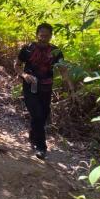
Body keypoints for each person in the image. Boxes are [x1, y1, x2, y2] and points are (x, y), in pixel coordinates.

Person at [15, 23, 73, 160]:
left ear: (51, 36)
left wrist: (70, 86)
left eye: (46, 36)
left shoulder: (56, 51)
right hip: (30, 87)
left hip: (46, 88)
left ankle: (33, 133)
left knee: (43, 115)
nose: (43, 38)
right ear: (37, 35)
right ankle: (41, 147)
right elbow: (17, 64)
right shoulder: (27, 49)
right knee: (38, 114)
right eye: (41, 35)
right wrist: (24, 75)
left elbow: (63, 69)